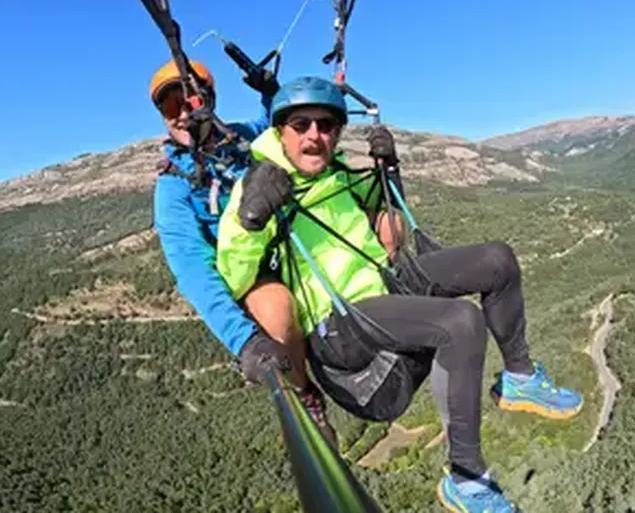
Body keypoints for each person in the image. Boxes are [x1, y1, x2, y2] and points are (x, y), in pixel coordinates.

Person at [216, 76, 584, 513]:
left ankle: (520, 379)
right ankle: (467, 479)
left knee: (497, 261)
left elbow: (387, 216)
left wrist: (389, 170)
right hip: (339, 323)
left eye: (327, 126)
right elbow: (236, 277)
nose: (316, 135)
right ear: (281, 131)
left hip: (382, 286)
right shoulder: (260, 185)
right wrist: (250, 219)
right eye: (302, 125)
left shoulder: (335, 175)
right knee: (459, 322)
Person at [149, 59, 336, 444]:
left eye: (190, 100)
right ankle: (305, 397)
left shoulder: (238, 139)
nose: (183, 113)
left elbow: (279, 127)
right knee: (275, 309)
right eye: (171, 106)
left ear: (208, 101)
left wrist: (270, 90)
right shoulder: (174, 187)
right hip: (251, 269)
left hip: (291, 242)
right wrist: (244, 341)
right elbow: (192, 270)